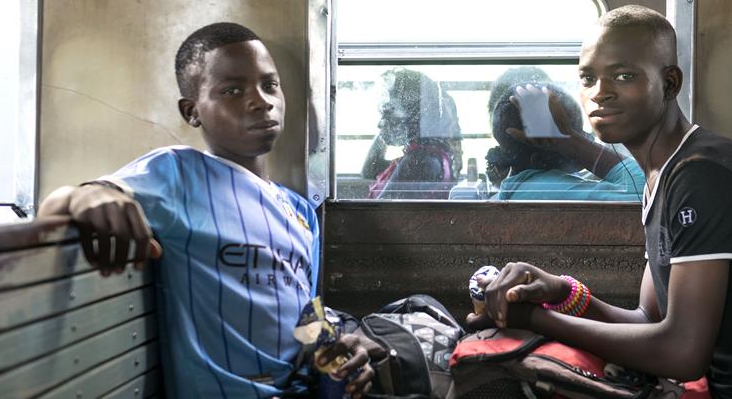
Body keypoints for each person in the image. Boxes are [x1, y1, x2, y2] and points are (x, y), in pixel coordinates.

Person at [471, 5, 732, 399]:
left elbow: (682, 353)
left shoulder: (703, 177)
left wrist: (537, 320)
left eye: (623, 76)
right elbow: (647, 319)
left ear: (670, 83)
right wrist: (558, 292)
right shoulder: (663, 175)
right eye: (587, 78)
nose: (599, 92)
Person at [37, 23, 382, 398]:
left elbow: (305, 320)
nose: (261, 101)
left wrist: (339, 349)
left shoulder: (300, 211)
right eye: (233, 91)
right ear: (192, 112)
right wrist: (89, 196)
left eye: (270, 85)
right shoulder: (178, 175)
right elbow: (63, 204)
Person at [487, 82, 644, 201]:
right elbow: (649, 191)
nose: (585, 138)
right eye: (573, 132)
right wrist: (573, 143)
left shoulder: (524, 187)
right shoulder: (546, 189)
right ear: (539, 159)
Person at [362, 68, 463, 199]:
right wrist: (385, 130)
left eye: (389, 112)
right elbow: (369, 170)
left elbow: (382, 211)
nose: (380, 123)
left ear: (414, 114)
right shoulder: (426, 155)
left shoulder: (420, 162)